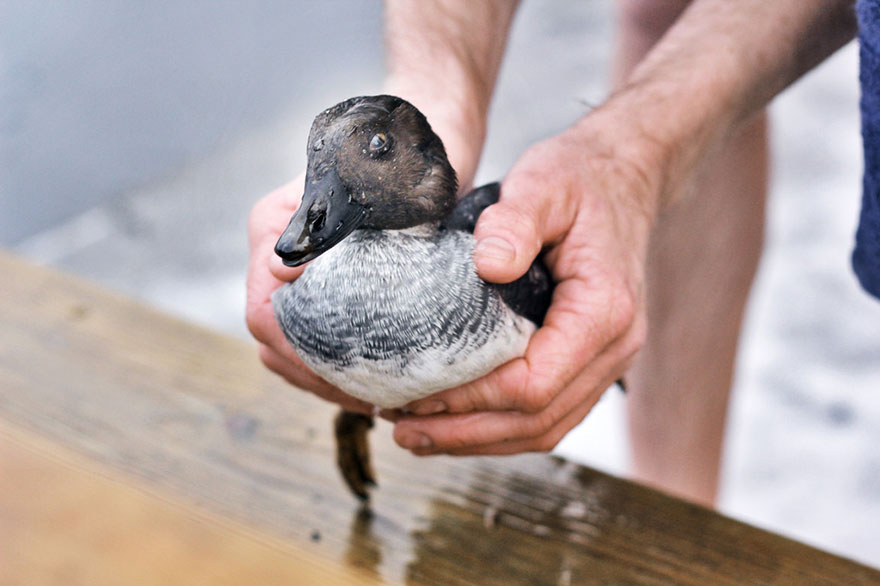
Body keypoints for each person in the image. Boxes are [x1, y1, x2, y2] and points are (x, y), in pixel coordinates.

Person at [246, 0, 861, 507]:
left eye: (375, 149)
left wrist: (626, 162)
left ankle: (673, 504)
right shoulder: (323, 252)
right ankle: (356, 411)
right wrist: (435, 82)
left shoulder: (492, 261)